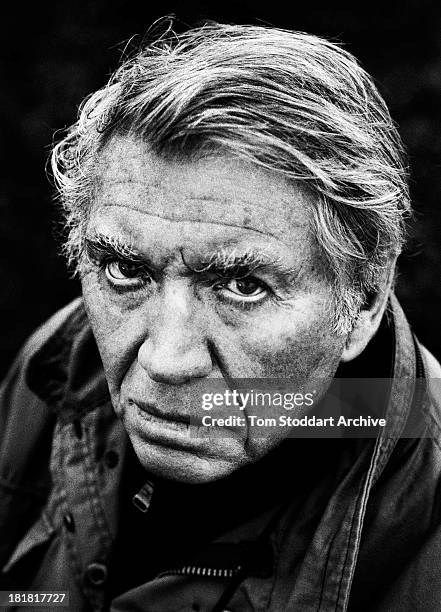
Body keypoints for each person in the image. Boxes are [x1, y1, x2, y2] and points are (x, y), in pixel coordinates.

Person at [0, 21, 440, 612]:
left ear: (362, 298)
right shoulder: (58, 363)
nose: (165, 360)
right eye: (128, 271)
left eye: (241, 285)